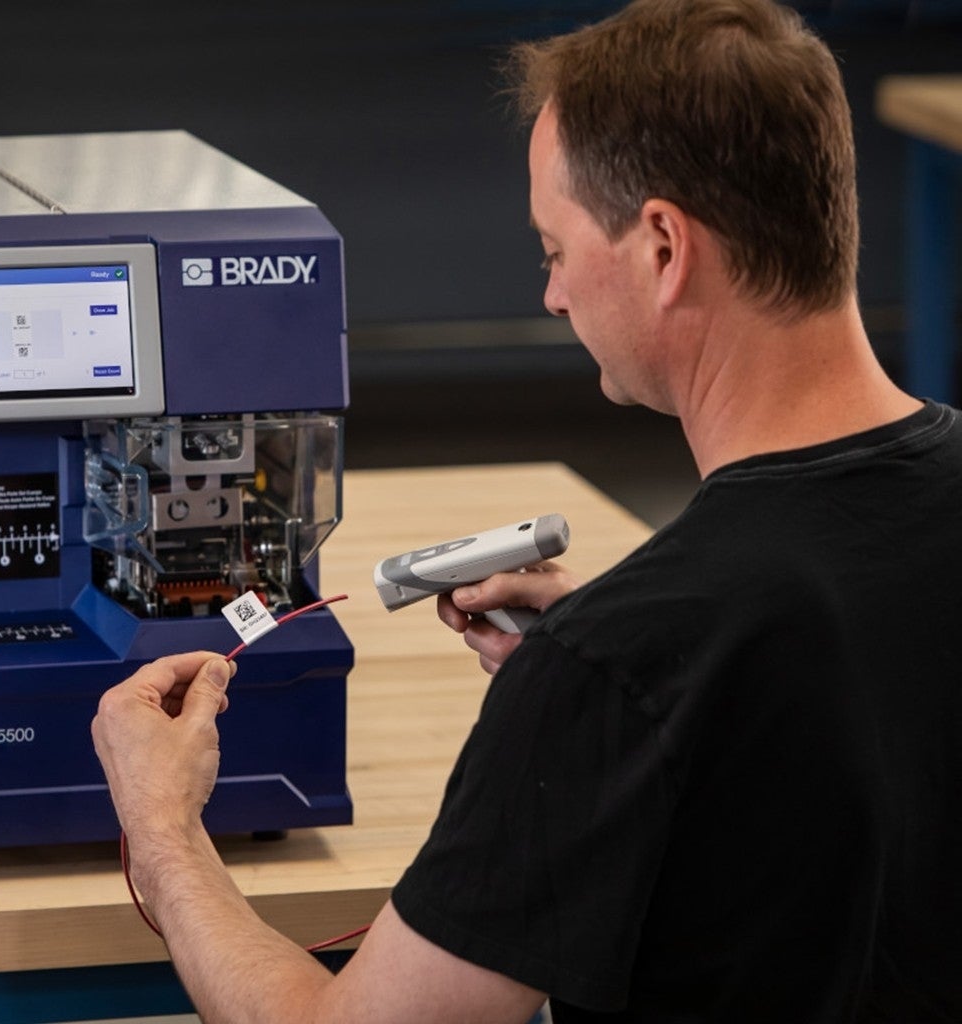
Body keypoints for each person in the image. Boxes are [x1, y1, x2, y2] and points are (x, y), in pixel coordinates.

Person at [91, 0, 962, 1019]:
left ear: (662, 247)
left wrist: (161, 830)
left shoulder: (620, 662)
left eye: (554, 249)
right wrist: (650, 688)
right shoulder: (652, 654)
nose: (552, 295)